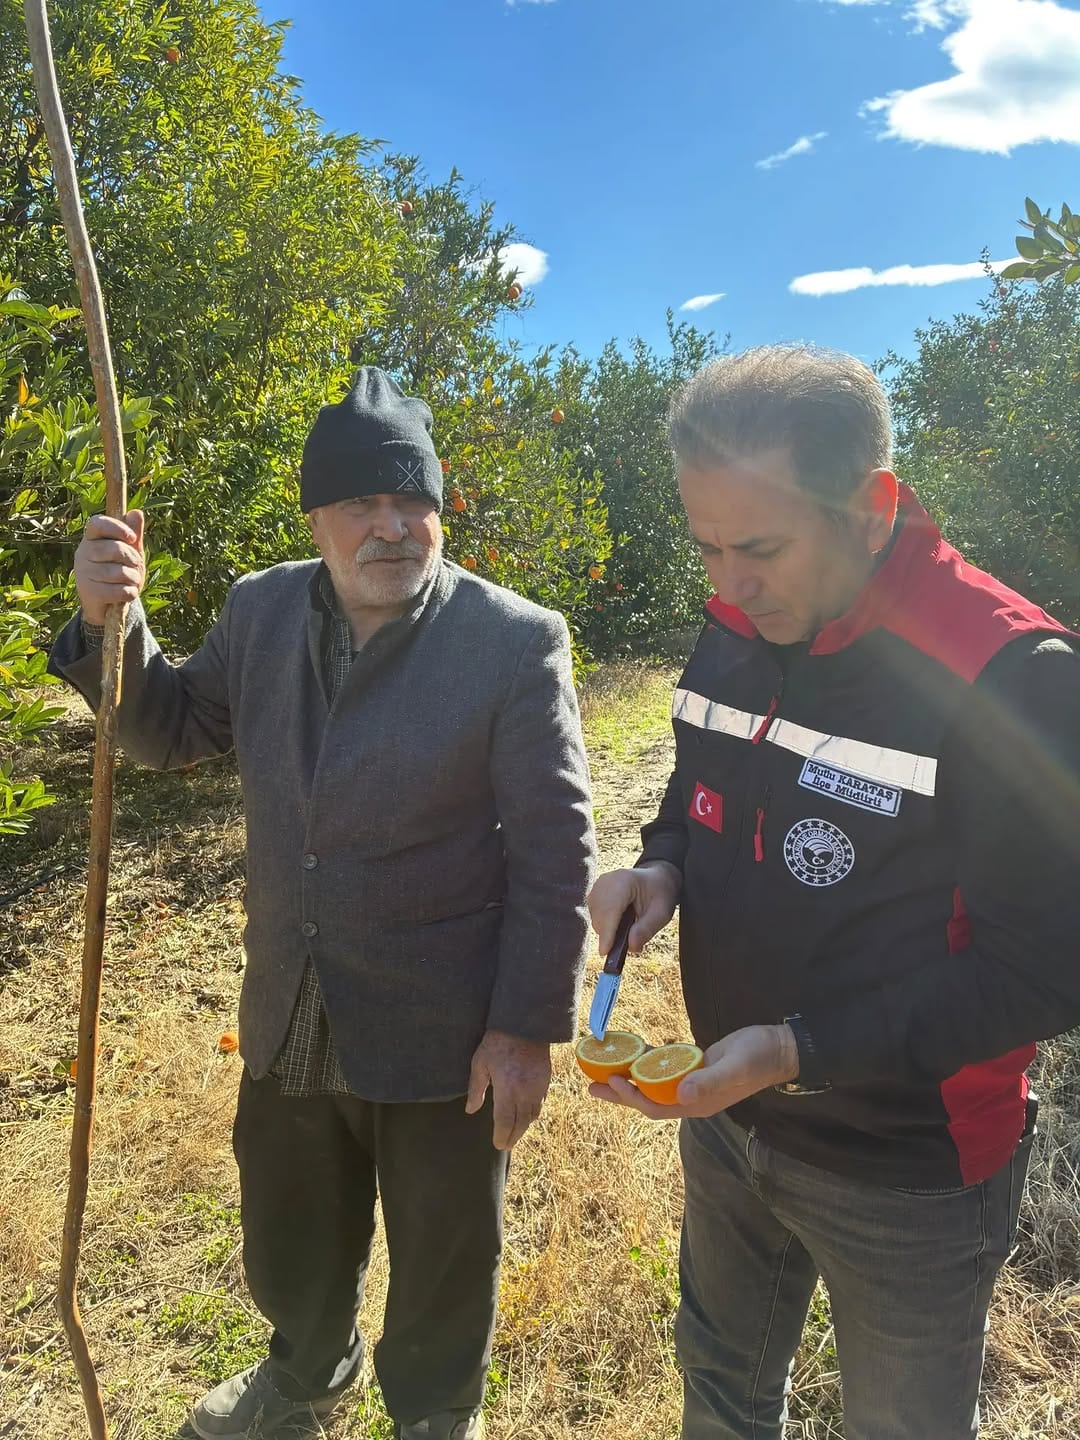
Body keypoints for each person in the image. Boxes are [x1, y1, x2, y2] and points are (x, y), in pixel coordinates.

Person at [50, 367, 595, 1440]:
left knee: (445, 1256)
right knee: (288, 1233)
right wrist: (115, 620)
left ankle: (435, 1414)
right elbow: (172, 731)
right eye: (362, 504)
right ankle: (308, 1372)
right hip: (291, 996)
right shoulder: (260, 608)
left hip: (443, 1022)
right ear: (318, 515)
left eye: (414, 504)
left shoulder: (512, 639)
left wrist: (526, 1026)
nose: (392, 528)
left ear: (438, 509)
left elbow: (553, 848)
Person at [587, 345, 1080, 1440]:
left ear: (872, 508)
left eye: (758, 546)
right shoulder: (737, 620)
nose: (725, 584)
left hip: (909, 1172)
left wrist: (798, 1048)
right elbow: (697, 774)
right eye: (705, 545)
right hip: (726, 1120)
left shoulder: (1012, 677)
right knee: (719, 1385)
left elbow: (1041, 972)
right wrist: (661, 863)